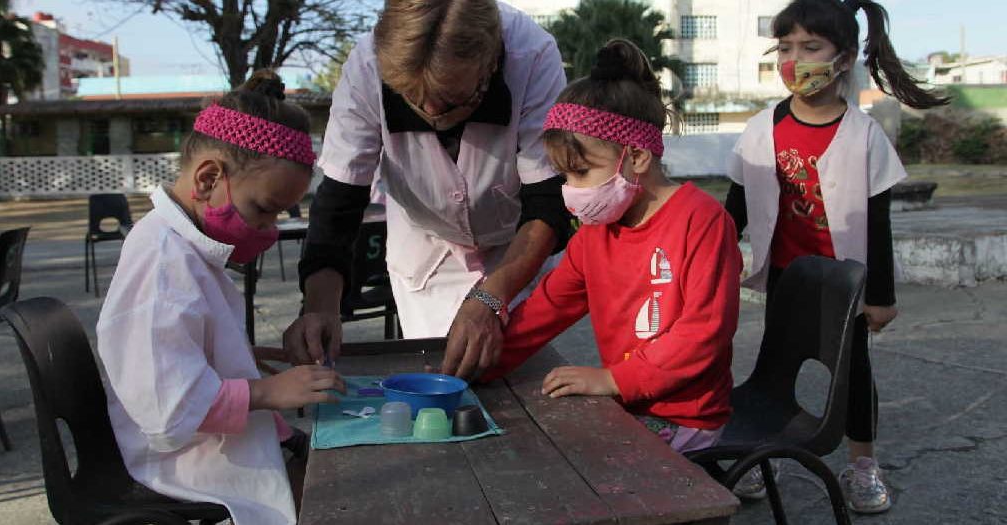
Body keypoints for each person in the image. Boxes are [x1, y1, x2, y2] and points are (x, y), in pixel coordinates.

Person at [724, 0, 949, 513]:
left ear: (843, 59)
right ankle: (770, 452)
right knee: (776, 365)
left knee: (853, 371)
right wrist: (708, 262)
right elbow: (733, 208)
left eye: (810, 47)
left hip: (846, 282)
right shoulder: (761, 129)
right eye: (785, 47)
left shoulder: (863, 135)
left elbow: (879, 222)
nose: (794, 59)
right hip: (788, 275)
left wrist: (882, 297)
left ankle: (863, 463)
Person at [96, 71, 347, 525]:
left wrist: (249, 360)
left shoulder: (186, 251)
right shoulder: (161, 263)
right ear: (209, 178)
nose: (271, 230)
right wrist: (267, 391)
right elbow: (168, 408)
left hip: (212, 441)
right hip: (182, 465)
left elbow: (182, 351)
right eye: (264, 209)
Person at [474, 39, 743, 453]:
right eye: (564, 176)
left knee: (581, 472)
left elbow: (702, 333)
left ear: (636, 157)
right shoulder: (596, 234)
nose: (570, 192)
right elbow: (544, 310)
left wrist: (613, 379)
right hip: (627, 405)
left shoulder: (702, 221)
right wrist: (479, 365)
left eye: (580, 172)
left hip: (685, 417)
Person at [288, 0, 573, 379]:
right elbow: (340, 201)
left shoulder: (531, 54)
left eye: (449, 102)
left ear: (489, 64)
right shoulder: (366, 65)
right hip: (428, 247)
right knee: (437, 384)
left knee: (528, 382)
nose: (431, 114)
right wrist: (320, 306)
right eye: (411, 98)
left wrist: (492, 296)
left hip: (518, 243)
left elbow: (548, 202)